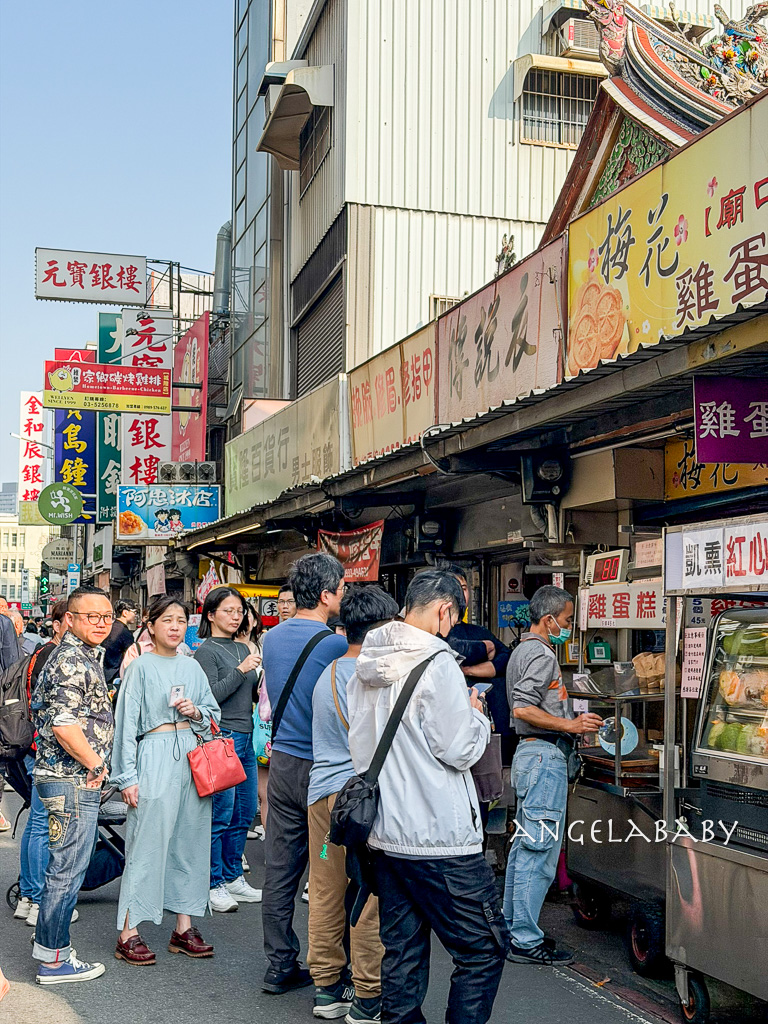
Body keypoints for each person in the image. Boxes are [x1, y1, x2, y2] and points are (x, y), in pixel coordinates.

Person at [348, 570, 506, 1024]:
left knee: (403, 952)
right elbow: (458, 749)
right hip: (441, 838)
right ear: (444, 610)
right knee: (483, 949)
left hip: (385, 834)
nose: (450, 627)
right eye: (452, 618)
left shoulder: (368, 663)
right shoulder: (437, 663)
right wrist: (476, 717)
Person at [111, 596, 220, 965]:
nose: (175, 626)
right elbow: (125, 725)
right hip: (154, 754)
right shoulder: (140, 667)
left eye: (181, 620)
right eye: (167, 620)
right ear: (151, 625)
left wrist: (198, 712)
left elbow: (213, 715)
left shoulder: (192, 668)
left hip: (192, 755)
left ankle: (183, 926)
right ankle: (129, 930)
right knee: (146, 845)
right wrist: (126, 776)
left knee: (190, 841)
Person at [308, 585, 398, 1022]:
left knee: (326, 890)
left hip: (324, 804)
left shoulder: (327, 674)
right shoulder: (373, 676)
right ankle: (368, 995)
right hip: (359, 807)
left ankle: (326, 988)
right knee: (369, 893)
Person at [260, 553, 348, 995]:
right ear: (328, 594)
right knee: (328, 869)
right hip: (324, 768)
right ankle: (331, 969)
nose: (344, 594)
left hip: (282, 765)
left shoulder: (272, 639)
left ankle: (279, 963)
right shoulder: (335, 644)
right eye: (342, 587)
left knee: (280, 867)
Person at [503, 585, 602, 966]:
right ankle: (525, 940)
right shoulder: (541, 653)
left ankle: (514, 927)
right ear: (548, 620)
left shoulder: (521, 651)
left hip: (533, 756)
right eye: (566, 620)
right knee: (538, 851)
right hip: (543, 756)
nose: (568, 626)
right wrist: (571, 725)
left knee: (525, 848)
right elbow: (523, 709)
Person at [30, 586, 115, 985]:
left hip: (66, 777)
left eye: (107, 616)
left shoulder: (78, 656)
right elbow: (64, 725)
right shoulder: (69, 660)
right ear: (70, 619)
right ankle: (54, 960)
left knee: (64, 867)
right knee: (67, 870)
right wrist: (95, 762)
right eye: (91, 616)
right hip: (71, 779)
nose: (101, 622)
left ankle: (51, 950)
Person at [194, 586, 262, 912]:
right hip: (224, 738)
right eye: (228, 611)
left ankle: (234, 876)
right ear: (210, 614)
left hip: (247, 737)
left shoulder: (242, 646)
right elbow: (210, 696)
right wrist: (242, 671)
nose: (236, 617)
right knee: (220, 815)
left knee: (245, 812)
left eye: (239, 611)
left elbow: (249, 696)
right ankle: (213, 882)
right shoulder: (206, 651)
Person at [14, 599, 70, 928]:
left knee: (37, 825)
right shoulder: (53, 654)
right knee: (42, 826)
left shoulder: (40, 652)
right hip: (45, 749)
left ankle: (28, 897)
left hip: (35, 747)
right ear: (60, 623)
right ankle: (35, 898)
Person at [102, 600, 139, 687]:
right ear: (125, 613)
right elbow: (130, 657)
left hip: (104, 671)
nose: (136, 616)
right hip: (116, 676)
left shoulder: (109, 626)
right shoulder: (125, 632)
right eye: (134, 612)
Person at [0, 597, 20, 672]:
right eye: (1, 607)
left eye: (5, 607)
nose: (4, 609)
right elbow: (10, 656)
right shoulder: (4, 622)